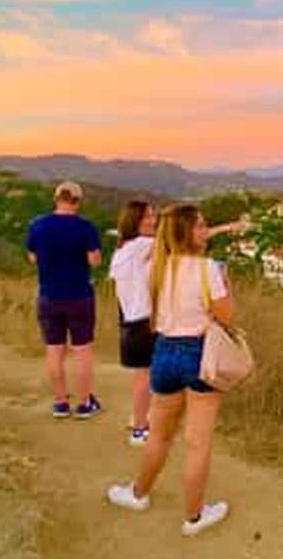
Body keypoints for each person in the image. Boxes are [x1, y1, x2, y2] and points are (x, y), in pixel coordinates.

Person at [106, 203, 237, 537]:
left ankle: (138, 493)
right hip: (199, 354)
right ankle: (194, 517)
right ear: (186, 232)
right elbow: (228, 317)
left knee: (160, 434)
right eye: (200, 226)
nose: (205, 231)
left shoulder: (156, 268)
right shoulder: (209, 269)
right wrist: (226, 284)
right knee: (198, 442)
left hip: (163, 352)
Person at [26, 180, 103, 419]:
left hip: (49, 295)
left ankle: (60, 403)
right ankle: (83, 404)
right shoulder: (85, 227)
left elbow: (32, 258)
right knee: (82, 351)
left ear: (56, 198)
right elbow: (95, 261)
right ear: (77, 202)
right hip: (79, 295)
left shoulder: (37, 225)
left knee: (54, 350)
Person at [109, 199, 158, 446]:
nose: (153, 221)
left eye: (153, 216)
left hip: (129, 320)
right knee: (146, 376)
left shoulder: (121, 250)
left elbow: (118, 289)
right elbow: (182, 240)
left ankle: (140, 418)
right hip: (143, 321)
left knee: (143, 375)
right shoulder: (143, 245)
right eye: (147, 217)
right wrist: (225, 229)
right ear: (134, 221)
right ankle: (140, 428)